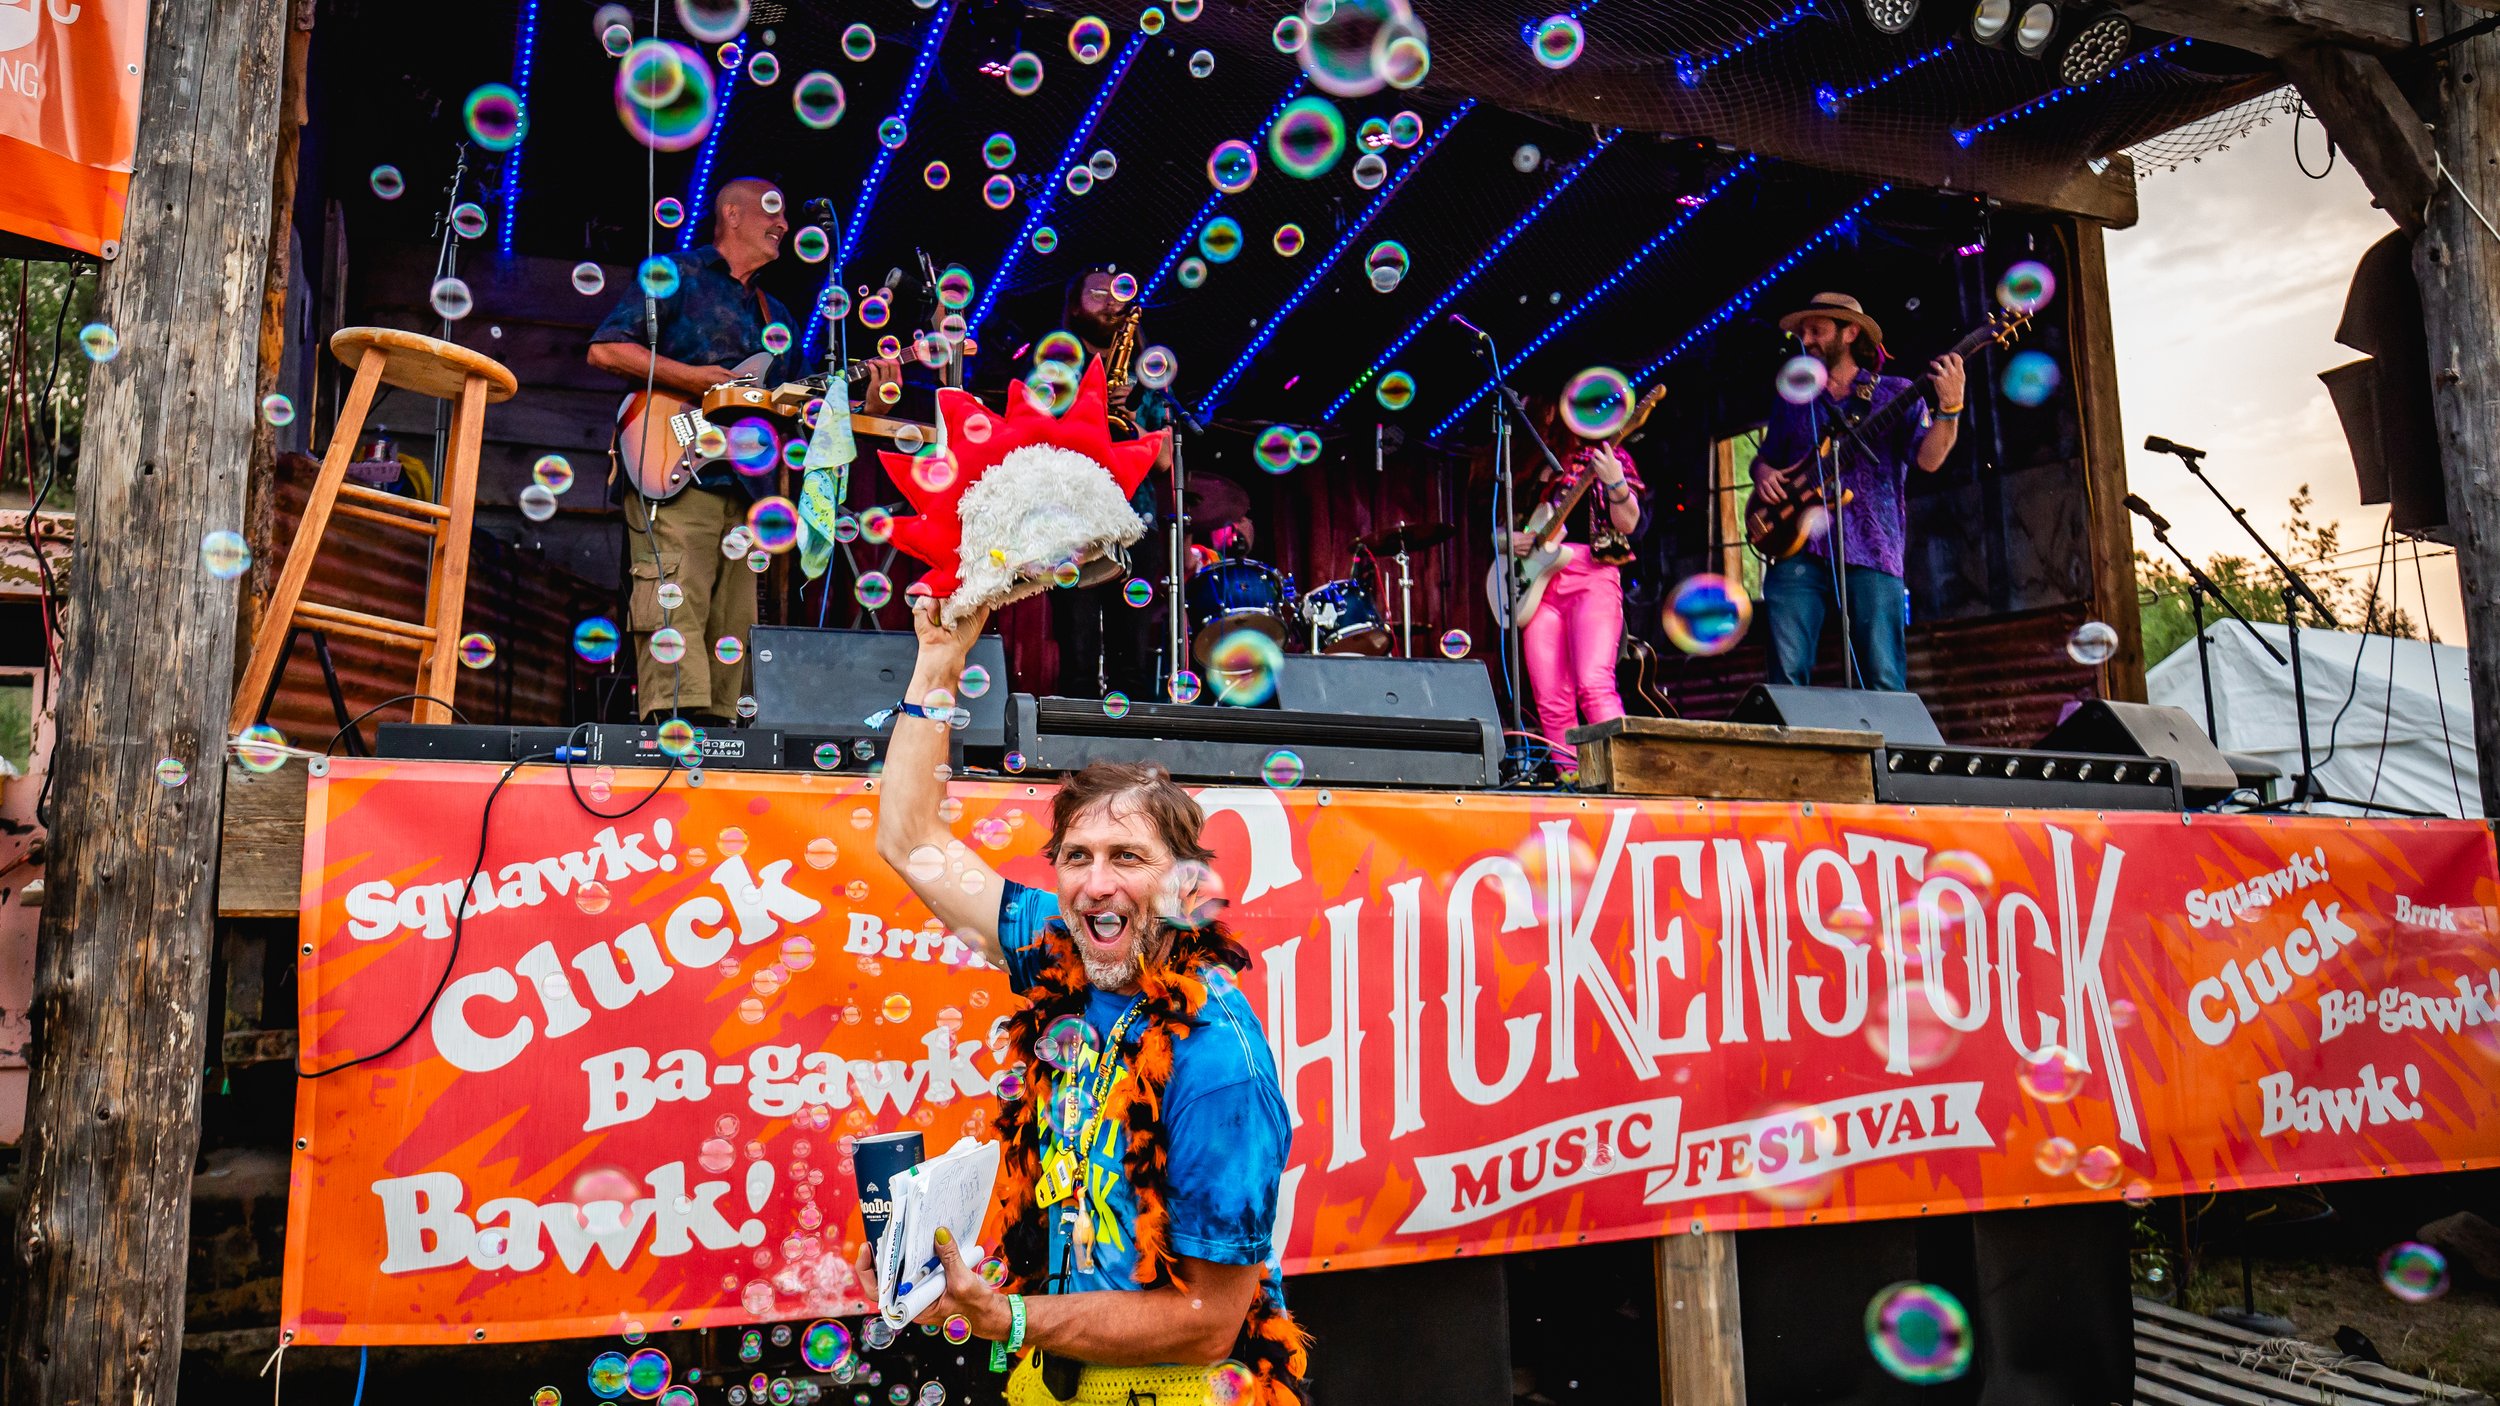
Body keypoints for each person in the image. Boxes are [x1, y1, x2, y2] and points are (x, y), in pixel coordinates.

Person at [873, 596, 1308, 1406]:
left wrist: (1005, 1316)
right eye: (1077, 856)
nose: (1097, 883)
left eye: (1127, 857)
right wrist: (938, 660)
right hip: (1049, 1380)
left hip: (1181, 1391)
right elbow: (909, 838)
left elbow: (1209, 1319)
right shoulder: (1064, 945)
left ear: (1183, 888)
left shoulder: (1218, 1062)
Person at [586, 176, 897, 722]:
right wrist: (696, 379)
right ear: (731, 214)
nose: (783, 224)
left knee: (733, 618)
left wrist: (872, 399)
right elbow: (607, 351)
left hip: (746, 487)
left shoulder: (776, 314)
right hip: (672, 461)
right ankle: (672, 727)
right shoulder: (677, 275)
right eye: (771, 211)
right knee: (674, 593)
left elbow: (805, 410)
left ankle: (720, 729)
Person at [1750, 291, 1963, 693]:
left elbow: (1929, 459)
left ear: (1849, 333)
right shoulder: (1794, 398)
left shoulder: (1895, 392)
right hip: (1800, 548)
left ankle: (1887, 754)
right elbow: (1766, 458)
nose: (1806, 340)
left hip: (1871, 547)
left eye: (1816, 330)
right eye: (1802, 332)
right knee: (1786, 675)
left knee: (1882, 674)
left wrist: (1950, 408)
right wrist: (1763, 474)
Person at [1505, 396, 1647, 785]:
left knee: (1593, 683)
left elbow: (1630, 523)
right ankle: (1571, 781)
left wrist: (1615, 482)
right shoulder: (1535, 470)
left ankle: (1623, 777)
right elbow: (1518, 531)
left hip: (1592, 575)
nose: (1542, 413)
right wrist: (1513, 540)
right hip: (1543, 585)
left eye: (1547, 406)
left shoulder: (1604, 456)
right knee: (1550, 698)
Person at [1051, 267, 1176, 700]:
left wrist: (1133, 419)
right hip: (1071, 522)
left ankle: (1137, 764)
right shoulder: (1056, 368)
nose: (1109, 300)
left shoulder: (1146, 381)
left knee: (1133, 664)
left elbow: (1162, 461)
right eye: (1096, 292)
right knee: (1077, 655)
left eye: (1117, 293)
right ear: (1073, 305)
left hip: (1135, 519)